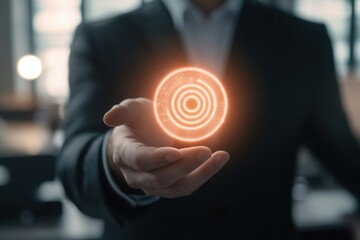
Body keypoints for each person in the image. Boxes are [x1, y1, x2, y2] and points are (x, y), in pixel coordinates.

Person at [57, 0, 360, 239]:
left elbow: (344, 155)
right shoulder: (101, 38)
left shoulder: (305, 39)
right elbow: (74, 164)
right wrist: (112, 157)